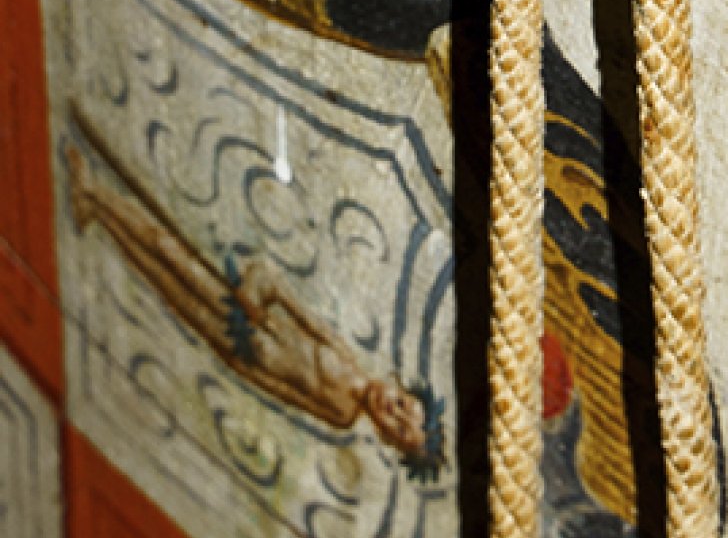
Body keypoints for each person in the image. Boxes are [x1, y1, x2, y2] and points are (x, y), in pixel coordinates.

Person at [66, 140, 444, 479]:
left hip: (244, 346)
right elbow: (308, 322)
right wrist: (270, 293)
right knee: (167, 249)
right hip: (249, 315)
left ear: (385, 438)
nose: (390, 411)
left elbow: (286, 392)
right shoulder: (349, 361)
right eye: (401, 404)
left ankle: (96, 211)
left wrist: (241, 364)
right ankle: (96, 190)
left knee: (163, 282)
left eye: (397, 428)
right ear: (399, 385)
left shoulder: (342, 415)